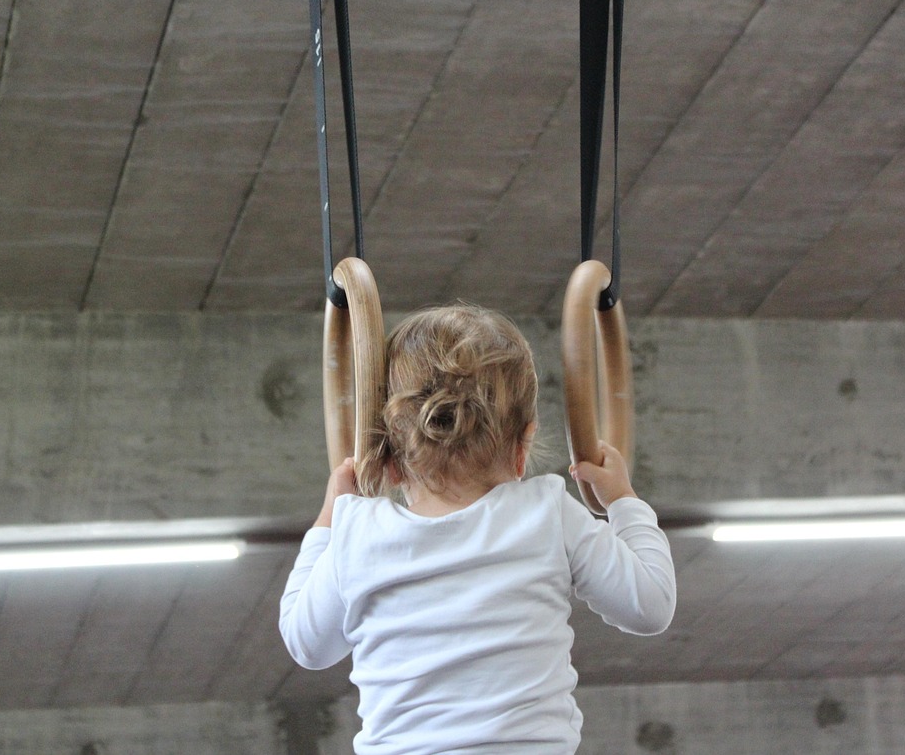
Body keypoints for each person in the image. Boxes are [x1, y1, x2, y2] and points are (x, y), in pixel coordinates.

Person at [279, 304, 676, 754]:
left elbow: (306, 644)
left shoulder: (358, 532)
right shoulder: (547, 512)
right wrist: (624, 501)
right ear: (523, 446)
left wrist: (329, 518)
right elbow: (651, 606)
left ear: (386, 460)